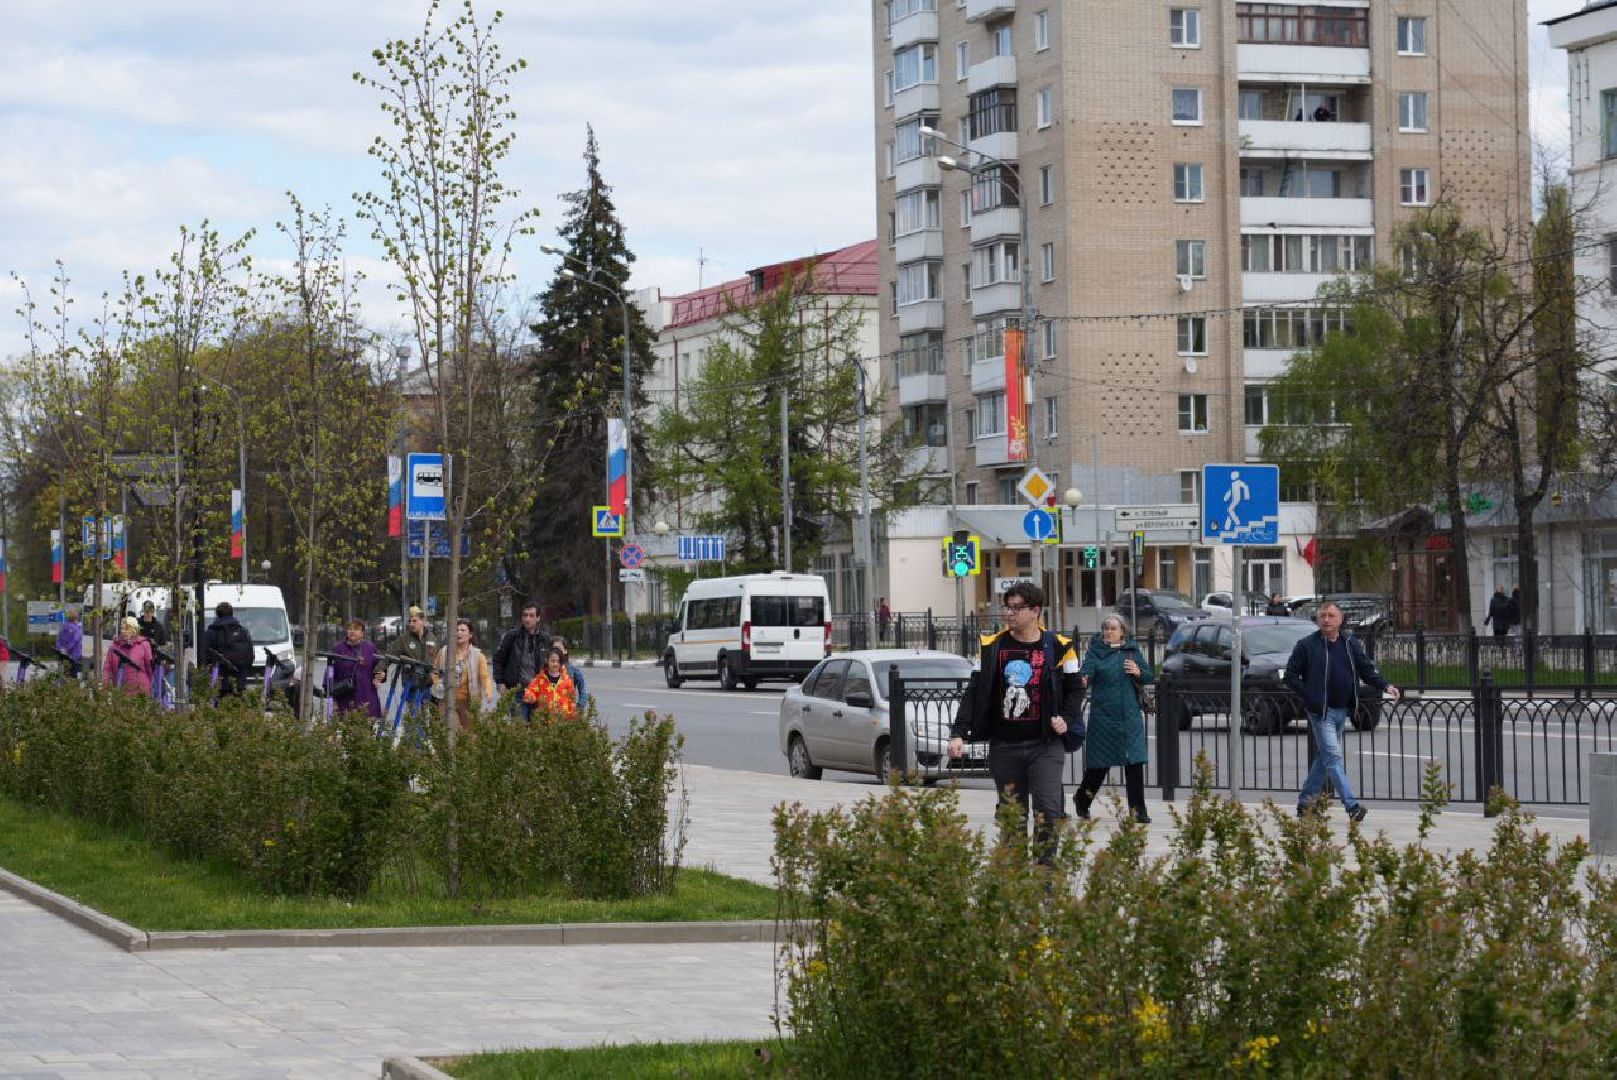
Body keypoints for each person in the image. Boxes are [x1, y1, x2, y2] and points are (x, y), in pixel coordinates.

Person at [948, 582, 1085, 861]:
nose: (1009, 613)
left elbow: (1076, 689)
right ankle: (1017, 883)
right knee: (1013, 816)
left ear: (1035, 610)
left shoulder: (1060, 647)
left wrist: (1067, 719)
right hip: (1005, 746)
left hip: (1045, 745)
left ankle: (1045, 879)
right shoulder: (991, 647)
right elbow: (973, 692)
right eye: (1007, 607)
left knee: (1048, 810)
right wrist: (958, 732)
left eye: (1016, 608)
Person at [1284, 601, 1400, 823]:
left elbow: (1366, 670)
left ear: (1341, 619)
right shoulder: (1307, 645)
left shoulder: (1350, 644)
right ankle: (1352, 806)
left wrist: (1386, 686)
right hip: (1321, 712)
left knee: (1324, 759)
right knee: (1333, 757)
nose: (1326, 619)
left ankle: (1305, 804)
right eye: (1323, 615)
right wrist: (1310, 695)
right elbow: (1290, 676)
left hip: (1342, 710)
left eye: (1331, 615)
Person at [1074, 615, 1155, 823]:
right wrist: (1083, 677)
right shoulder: (1096, 651)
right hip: (1104, 717)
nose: (1109, 632)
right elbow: (1087, 670)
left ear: (1122, 632)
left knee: (1134, 763)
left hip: (1130, 718)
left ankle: (1138, 811)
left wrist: (1138, 671)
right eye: (1106, 628)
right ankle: (1082, 800)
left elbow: (1148, 676)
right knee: (1099, 765)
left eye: (1113, 628)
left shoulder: (1132, 650)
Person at [433, 618, 496, 732]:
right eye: (456, 630)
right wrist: (437, 684)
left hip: (469, 702)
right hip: (447, 701)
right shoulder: (444, 652)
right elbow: (434, 671)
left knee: (470, 736)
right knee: (453, 733)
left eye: (463, 630)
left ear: (470, 635)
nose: (459, 633)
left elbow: (485, 677)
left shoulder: (478, 655)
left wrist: (488, 691)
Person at [494, 602, 552, 718]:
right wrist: (500, 682)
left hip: (539, 691)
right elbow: (498, 660)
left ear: (538, 618)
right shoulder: (512, 636)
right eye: (525, 615)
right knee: (519, 728)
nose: (527, 619)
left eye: (531, 615)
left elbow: (552, 663)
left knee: (538, 728)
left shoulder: (545, 639)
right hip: (517, 691)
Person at [329, 618, 382, 719]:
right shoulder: (338, 649)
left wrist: (380, 675)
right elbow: (330, 673)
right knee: (346, 730)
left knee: (366, 730)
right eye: (350, 628)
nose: (352, 631)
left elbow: (379, 667)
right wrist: (331, 696)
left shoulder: (370, 648)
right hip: (344, 699)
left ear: (362, 633)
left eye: (357, 629)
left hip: (367, 697)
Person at [204, 602, 255, 696]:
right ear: (232, 613)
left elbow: (205, 655)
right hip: (240, 680)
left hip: (220, 681)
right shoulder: (243, 630)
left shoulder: (212, 632)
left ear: (217, 614)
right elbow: (250, 656)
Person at [523, 646, 581, 719]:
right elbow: (530, 690)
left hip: (562, 719)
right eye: (552, 661)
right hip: (544, 719)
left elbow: (572, 699)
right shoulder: (540, 678)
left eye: (558, 661)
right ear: (547, 661)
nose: (555, 664)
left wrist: (573, 715)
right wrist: (530, 696)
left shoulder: (567, 680)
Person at [103, 616, 155, 695]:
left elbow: (149, 669)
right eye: (122, 628)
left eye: (127, 629)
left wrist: (149, 685)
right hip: (120, 690)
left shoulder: (144, 645)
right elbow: (107, 668)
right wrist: (106, 685)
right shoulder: (114, 646)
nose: (123, 631)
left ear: (134, 630)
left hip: (140, 691)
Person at [550, 637, 589, 710]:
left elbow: (583, 692)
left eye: (559, 648)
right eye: (554, 648)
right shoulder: (545, 670)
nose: (556, 651)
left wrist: (578, 708)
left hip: (568, 713)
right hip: (549, 714)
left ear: (565, 651)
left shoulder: (574, 671)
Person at [55, 607, 83, 679]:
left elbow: (59, 640)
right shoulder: (76, 629)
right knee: (73, 675)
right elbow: (76, 640)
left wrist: (61, 649)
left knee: (65, 674)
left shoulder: (64, 627)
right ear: (76, 618)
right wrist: (67, 649)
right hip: (74, 656)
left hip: (63, 655)